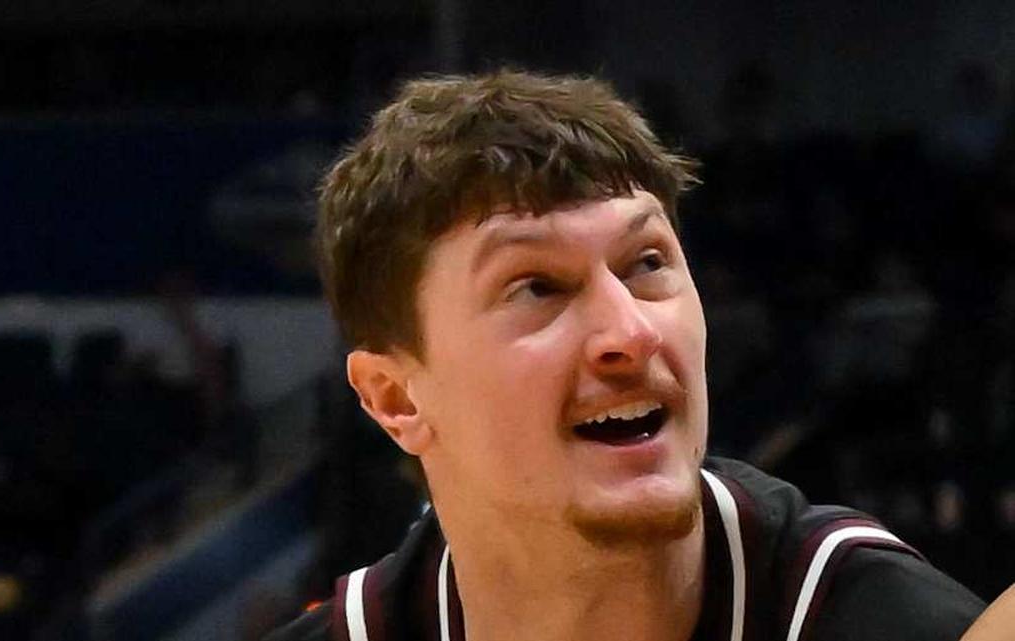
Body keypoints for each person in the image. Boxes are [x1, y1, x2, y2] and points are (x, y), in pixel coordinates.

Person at [266, 70, 984, 641]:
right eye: (537, 286)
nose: (631, 332)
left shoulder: (861, 611)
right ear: (396, 397)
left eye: (645, 262)